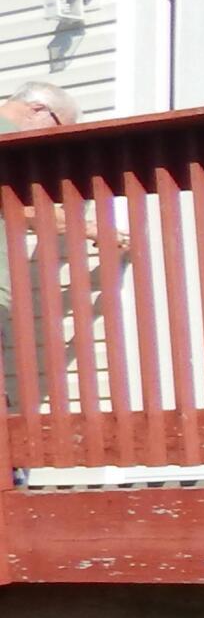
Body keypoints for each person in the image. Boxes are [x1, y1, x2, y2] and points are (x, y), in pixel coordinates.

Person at [0, 81, 104, 416]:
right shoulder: (8, 138)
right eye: (60, 129)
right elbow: (27, 208)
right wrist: (91, 229)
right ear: (37, 109)